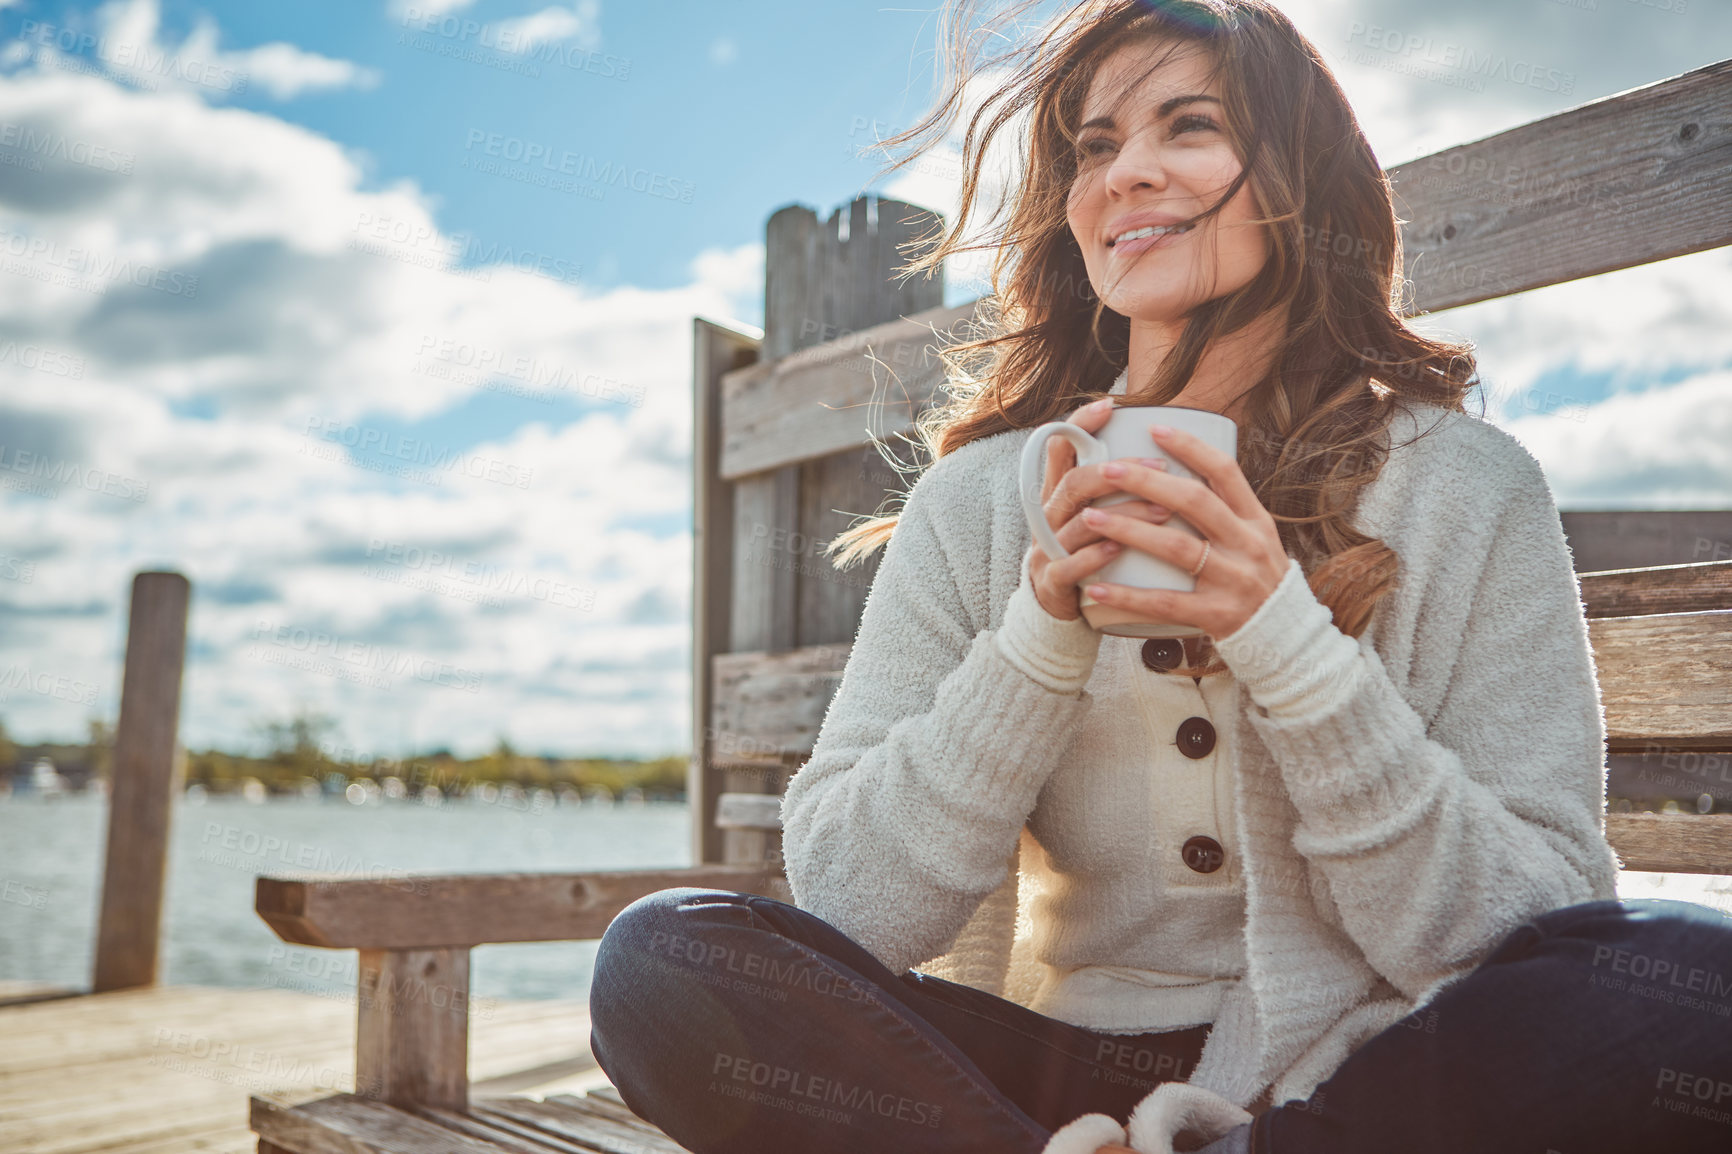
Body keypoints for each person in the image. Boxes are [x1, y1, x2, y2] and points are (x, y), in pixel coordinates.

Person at [588, 2, 1732, 1152]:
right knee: (659, 960)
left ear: (1298, 174)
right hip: (1036, 1072)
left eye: (1187, 126)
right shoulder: (981, 500)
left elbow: (1534, 924)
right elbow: (848, 904)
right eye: (1093, 147)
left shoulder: (1466, 485)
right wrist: (1037, 637)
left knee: (1695, 981)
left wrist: (1284, 641)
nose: (1124, 173)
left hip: (1367, 1078)